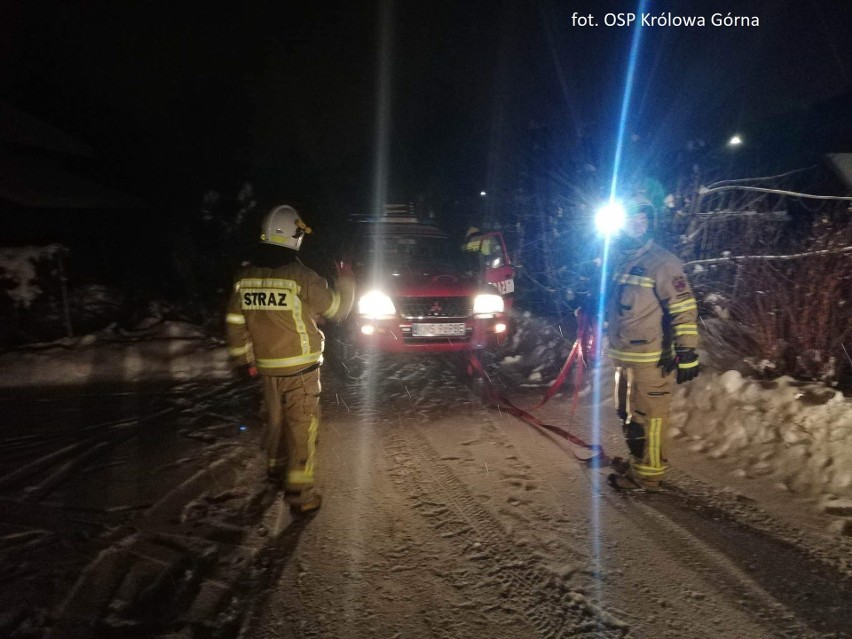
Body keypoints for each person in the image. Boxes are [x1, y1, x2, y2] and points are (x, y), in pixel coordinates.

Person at [225, 204, 355, 513]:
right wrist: (347, 281)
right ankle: (301, 495)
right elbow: (338, 310)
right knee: (302, 427)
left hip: (268, 369)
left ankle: (274, 469)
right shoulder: (301, 277)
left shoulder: (244, 277)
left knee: (274, 421)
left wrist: (242, 360)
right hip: (302, 368)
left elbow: (234, 322)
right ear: (292, 236)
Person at [605, 196, 699, 491]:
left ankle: (649, 476)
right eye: (629, 219)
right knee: (627, 415)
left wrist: (686, 351)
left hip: (653, 358)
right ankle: (638, 462)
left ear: (650, 223)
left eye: (641, 219)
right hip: (625, 356)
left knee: (651, 418)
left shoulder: (663, 263)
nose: (635, 225)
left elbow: (683, 309)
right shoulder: (622, 259)